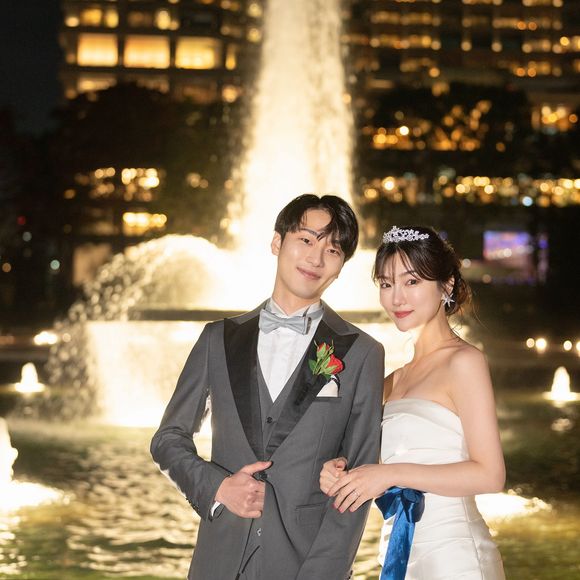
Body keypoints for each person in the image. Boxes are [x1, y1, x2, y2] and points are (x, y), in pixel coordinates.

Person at [151, 194, 384, 580]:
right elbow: (167, 439)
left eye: (332, 250)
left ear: (341, 266)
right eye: (306, 240)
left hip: (305, 564)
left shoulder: (362, 353)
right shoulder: (216, 339)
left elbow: (359, 481)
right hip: (218, 561)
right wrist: (218, 488)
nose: (316, 258)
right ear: (277, 242)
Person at [320, 225, 506, 579]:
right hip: (401, 553)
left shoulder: (464, 361)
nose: (397, 298)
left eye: (412, 281)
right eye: (386, 284)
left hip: (455, 557)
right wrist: (338, 472)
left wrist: (390, 474)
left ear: (446, 286)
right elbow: (373, 465)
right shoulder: (391, 381)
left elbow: (491, 474)